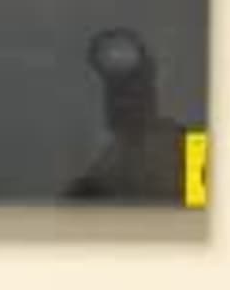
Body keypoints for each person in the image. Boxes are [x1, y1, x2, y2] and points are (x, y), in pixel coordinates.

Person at [64, 26, 188, 201]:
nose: (125, 101)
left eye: (134, 89)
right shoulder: (98, 165)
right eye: (115, 92)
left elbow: (201, 212)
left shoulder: (193, 147)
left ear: (153, 90)